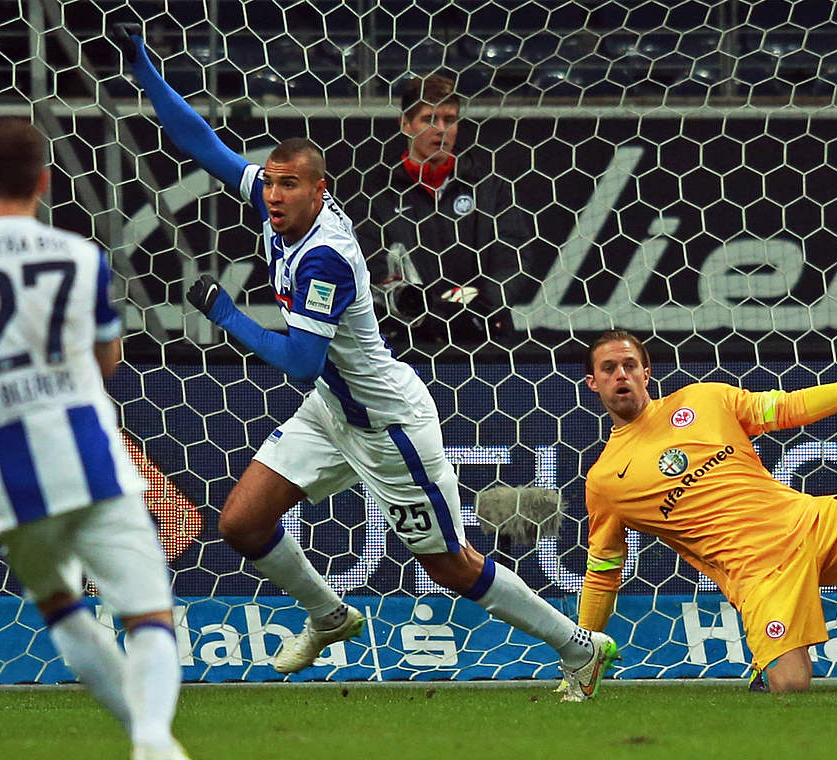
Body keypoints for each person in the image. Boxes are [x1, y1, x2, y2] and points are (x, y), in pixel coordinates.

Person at [114, 25, 619, 698]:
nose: (272, 195)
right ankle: (329, 614)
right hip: (333, 410)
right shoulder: (272, 210)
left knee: (453, 566)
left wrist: (228, 315)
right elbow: (202, 144)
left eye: (288, 186)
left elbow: (297, 359)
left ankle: (579, 646)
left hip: (388, 426)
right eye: (268, 183)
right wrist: (143, 68)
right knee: (242, 522)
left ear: (319, 192)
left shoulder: (325, 257)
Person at [0, 119, 188, 760]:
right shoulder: (79, 257)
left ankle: (151, 742)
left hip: (14, 480)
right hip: (92, 461)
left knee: (64, 611)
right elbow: (109, 360)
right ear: (45, 181)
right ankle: (151, 739)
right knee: (149, 617)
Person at [577, 328, 837, 694]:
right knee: (791, 685)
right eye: (609, 368)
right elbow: (603, 571)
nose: (621, 375)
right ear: (593, 383)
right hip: (759, 572)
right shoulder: (606, 480)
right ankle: (765, 673)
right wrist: (583, 649)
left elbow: (786, 408)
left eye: (629, 365)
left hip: (808, 521)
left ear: (647, 372)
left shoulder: (703, 399)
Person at [357, 74, 530, 352]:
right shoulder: (377, 191)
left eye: (449, 120)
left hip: (484, 336)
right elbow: (367, 260)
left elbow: (513, 252)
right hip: (406, 342)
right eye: (429, 119)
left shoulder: (489, 184)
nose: (441, 129)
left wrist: (485, 301)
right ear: (405, 124)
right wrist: (423, 309)